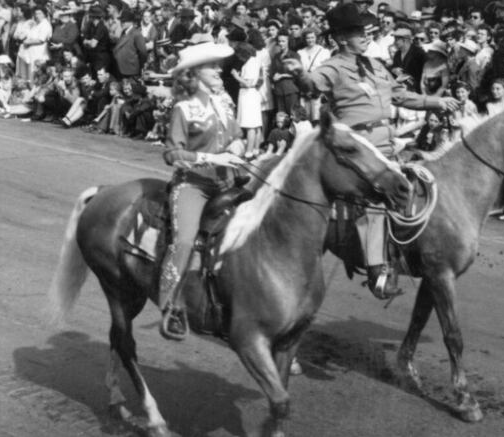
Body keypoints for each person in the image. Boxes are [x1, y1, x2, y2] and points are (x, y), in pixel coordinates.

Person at [283, 3, 459, 299]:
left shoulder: (376, 66)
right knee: (376, 202)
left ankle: (421, 254)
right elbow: (312, 84)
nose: (365, 35)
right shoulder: (333, 67)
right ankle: (378, 272)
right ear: (340, 38)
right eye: (356, 31)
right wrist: (300, 74)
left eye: (365, 30)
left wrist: (436, 102)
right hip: (356, 153)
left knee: (423, 185)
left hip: (388, 147)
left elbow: (401, 96)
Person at [159, 42, 246, 340]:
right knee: (184, 240)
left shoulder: (224, 103)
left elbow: (237, 136)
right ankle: (172, 305)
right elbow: (172, 154)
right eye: (213, 66)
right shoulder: (183, 109)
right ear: (194, 73)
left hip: (228, 183)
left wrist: (238, 145)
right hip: (193, 186)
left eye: (218, 66)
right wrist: (213, 158)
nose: (219, 70)